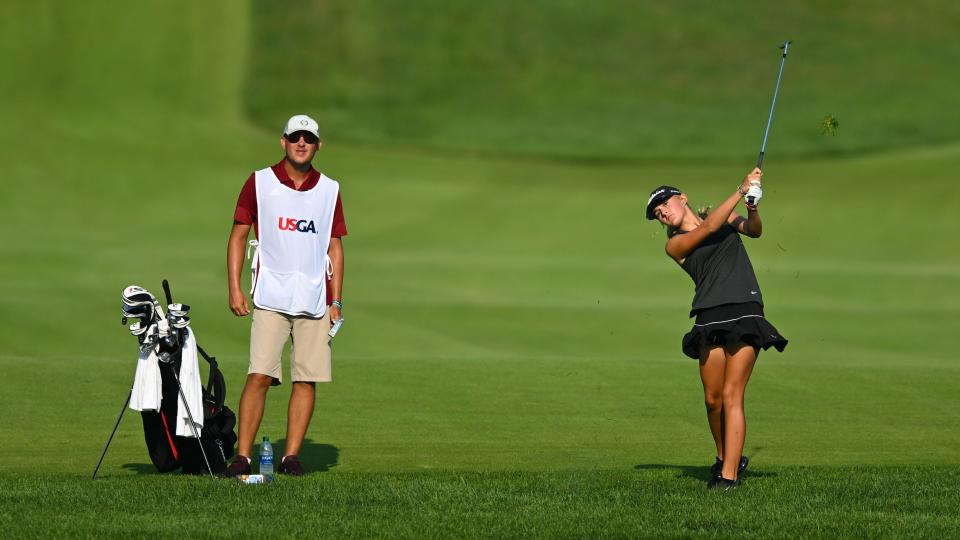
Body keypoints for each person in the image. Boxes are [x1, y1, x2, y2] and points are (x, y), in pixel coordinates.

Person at [645, 167, 787, 490]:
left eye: (664, 204)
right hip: (709, 316)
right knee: (713, 400)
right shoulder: (676, 246)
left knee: (732, 394)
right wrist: (741, 188)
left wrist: (751, 205)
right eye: (657, 214)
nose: (662, 213)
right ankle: (724, 457)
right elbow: (709, 227)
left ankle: (729, 477)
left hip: (745, 308)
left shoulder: (725, 217)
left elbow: (754, 231)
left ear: (682, 198)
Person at [223, 114, 347, 477]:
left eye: (308, 138)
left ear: (318, 145)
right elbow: (238, 235)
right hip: (270, 295)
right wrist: (234, 287)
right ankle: (243, 457)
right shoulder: (260, 182)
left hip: (313, 298)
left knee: (306, 378)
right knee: (259, 374)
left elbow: (334, 248)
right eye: (296, 137)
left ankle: (291, 456)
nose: (302, 143)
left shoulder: (330, 189)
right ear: (283, 142)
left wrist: (336, 301)